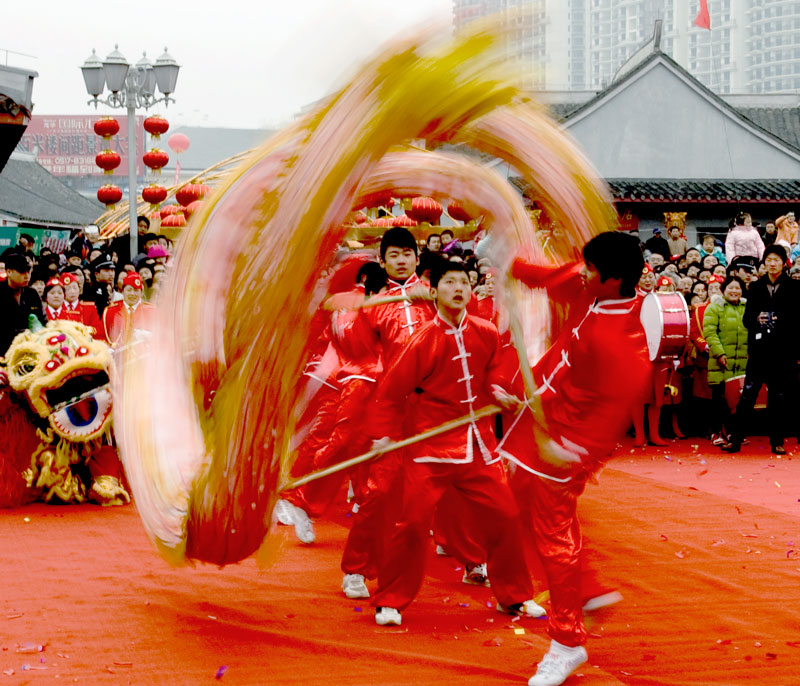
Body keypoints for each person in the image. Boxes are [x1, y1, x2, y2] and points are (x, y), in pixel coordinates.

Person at [496, 231, 651, 686]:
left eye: (590, 268)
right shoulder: (592, 286)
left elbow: (612, 416)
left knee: (550, 534)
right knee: (517, 506)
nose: (581, 271)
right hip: (538, 422)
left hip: (565, 446)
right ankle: (586, 589)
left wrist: (572, 452)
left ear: (613, 278)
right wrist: (507, 260)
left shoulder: (623, 342)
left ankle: (567, 641)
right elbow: (551, 276)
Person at [367, 261, 540, 627]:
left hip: (478, 445)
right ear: (434, 292)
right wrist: (383, 435)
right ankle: (391, 600)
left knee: (506, 517)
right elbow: (391, 393)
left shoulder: (486, 331)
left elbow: (495, 367)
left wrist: (496, 388)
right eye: (449, 282)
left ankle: (514, 597)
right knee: (413, 523)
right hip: (430, 447)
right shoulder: (422, 341)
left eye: (465, 282)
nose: (459, 288)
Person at [723, 245, 798, 454]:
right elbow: (747, 319)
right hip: (759, 351)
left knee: (777, 397)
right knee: (748, 395)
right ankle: (736, 439)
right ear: (764, 263)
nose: (772, 264)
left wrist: (779, 320)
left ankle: (777, 442)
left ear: (784, 263)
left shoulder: (794, 288)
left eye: (776, 260)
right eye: (769, 260)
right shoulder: (755, 287)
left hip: (782, 352)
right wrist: (757, 319)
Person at [703, 276, 748, 446]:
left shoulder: (746, 307)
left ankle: (734, 433)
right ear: (723, 290)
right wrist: (719, 353)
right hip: (720, 362)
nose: (734, 291)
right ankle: (716, 433)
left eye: (738, 288)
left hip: (741, 362)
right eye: (731, 288)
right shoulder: (714, 308)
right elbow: (710, 333)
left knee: (737, 400)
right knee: (719, 399)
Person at [0, 252, 44, 354]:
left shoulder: (32, 294)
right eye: (22, 272)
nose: (27, 276)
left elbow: (42, 321)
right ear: (9, 272)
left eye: (28, 271)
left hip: (30, 351)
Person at [102, 271, 156, 346]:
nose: (132, 294)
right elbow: (103, 337)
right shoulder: (110, 311)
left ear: (141, 292)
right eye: (129, 290)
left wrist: (149, 336)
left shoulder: (152, 311)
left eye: (136, 290)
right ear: (123, 291)